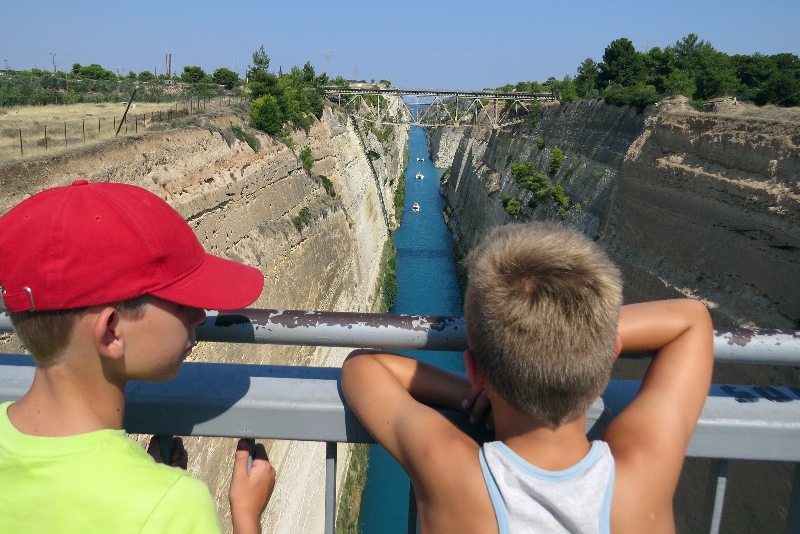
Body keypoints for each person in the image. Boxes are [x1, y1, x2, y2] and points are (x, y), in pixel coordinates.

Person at [342, 221, 713, 533]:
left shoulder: (449, 470)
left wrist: (468, 394)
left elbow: (363, 367)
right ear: (611, 353)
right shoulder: (643, 475)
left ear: (475, 370)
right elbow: (692, 320)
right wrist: (587, 336)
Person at [0, 180, 275, 534]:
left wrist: (142, 483)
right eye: (182, 302)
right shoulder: (173, 504)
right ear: (111, 331)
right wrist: (246, 517)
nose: (200, 316)